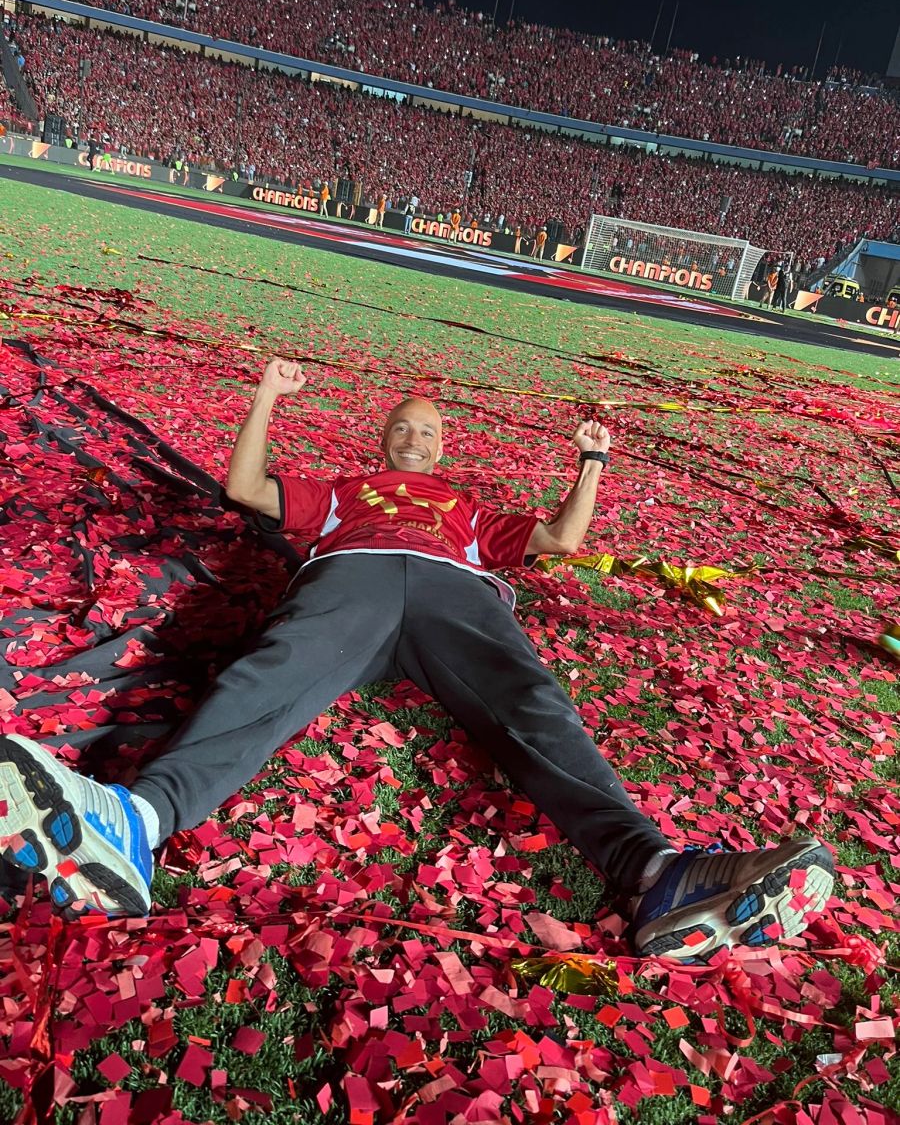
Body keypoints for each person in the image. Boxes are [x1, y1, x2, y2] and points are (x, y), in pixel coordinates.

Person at [0, 361, 834, 962]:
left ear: (441, 450)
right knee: (269, 678)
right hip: (349, 581)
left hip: (452, 591)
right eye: (402, 427)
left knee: (532, 707)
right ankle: (133, 827)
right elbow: (245, 489)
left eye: (428, 432)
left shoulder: (467, 511)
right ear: (385, 440)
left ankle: (658, 872)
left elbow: (562, 539)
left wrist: (591, 463)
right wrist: (264, 397)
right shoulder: (345, 493)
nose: (414, 438)